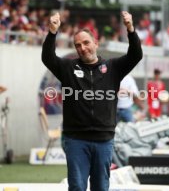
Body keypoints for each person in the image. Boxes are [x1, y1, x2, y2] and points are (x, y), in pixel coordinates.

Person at [41, 11, 142, 191]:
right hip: (76, 140)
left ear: (96, 43)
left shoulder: (113, 67)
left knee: (101, 188)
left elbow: (136, 55)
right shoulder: (68, 68)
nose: (82, 48)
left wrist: (130, 29)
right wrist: (52, 32)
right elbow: (47, 58)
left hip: (104, 140)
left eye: (86, 42)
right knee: (77, 187)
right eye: (78, 45)